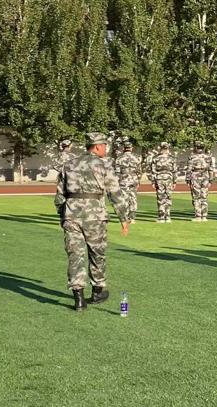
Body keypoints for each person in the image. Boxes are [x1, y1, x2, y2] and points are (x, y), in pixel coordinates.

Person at [54, 132, 130, 311]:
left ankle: (79, 299)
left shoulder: (69, 164)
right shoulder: (104, 165)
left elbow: (59, 196)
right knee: (97, 253)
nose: (106, 149)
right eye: (104, 145)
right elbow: (115, 193)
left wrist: (63, 215)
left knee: (75, 256)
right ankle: (97, 291)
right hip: (95, 216)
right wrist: (124, 218)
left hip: (72, 215)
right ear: (97, 146)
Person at [114, 141, 143, 224]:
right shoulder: (137, 158)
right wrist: (138, 180)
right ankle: (132, 217)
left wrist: (117, 181)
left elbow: (117, 172)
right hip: (134, 179)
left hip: (123, 180)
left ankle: (125, 217)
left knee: (124, 198)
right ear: (131, 148)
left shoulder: (119, 158)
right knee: (133, 198)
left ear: (124, 148)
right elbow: (139, 171)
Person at [187, 142, 214, 221]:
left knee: (196, 197)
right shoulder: (208, 157)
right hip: (205, 177)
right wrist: (211, 180)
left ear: (196, 147)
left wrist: (188, 180)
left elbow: (189, 169)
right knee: (204, 196)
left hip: (195, 177)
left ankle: (198, 216)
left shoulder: (192, 157)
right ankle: (204, 216)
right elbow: (211, 169)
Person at [150, 143, 176, 223]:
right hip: (169, 178)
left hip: (159, 178)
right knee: (168, 197)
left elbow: (153, 171)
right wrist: (174, 181)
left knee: (160, 197)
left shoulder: (155, 158)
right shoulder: (172, 158)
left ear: (160, 148)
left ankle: (161, 217)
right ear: (168, 148)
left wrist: (153, 181)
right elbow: (174, 171)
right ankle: (167, 216)